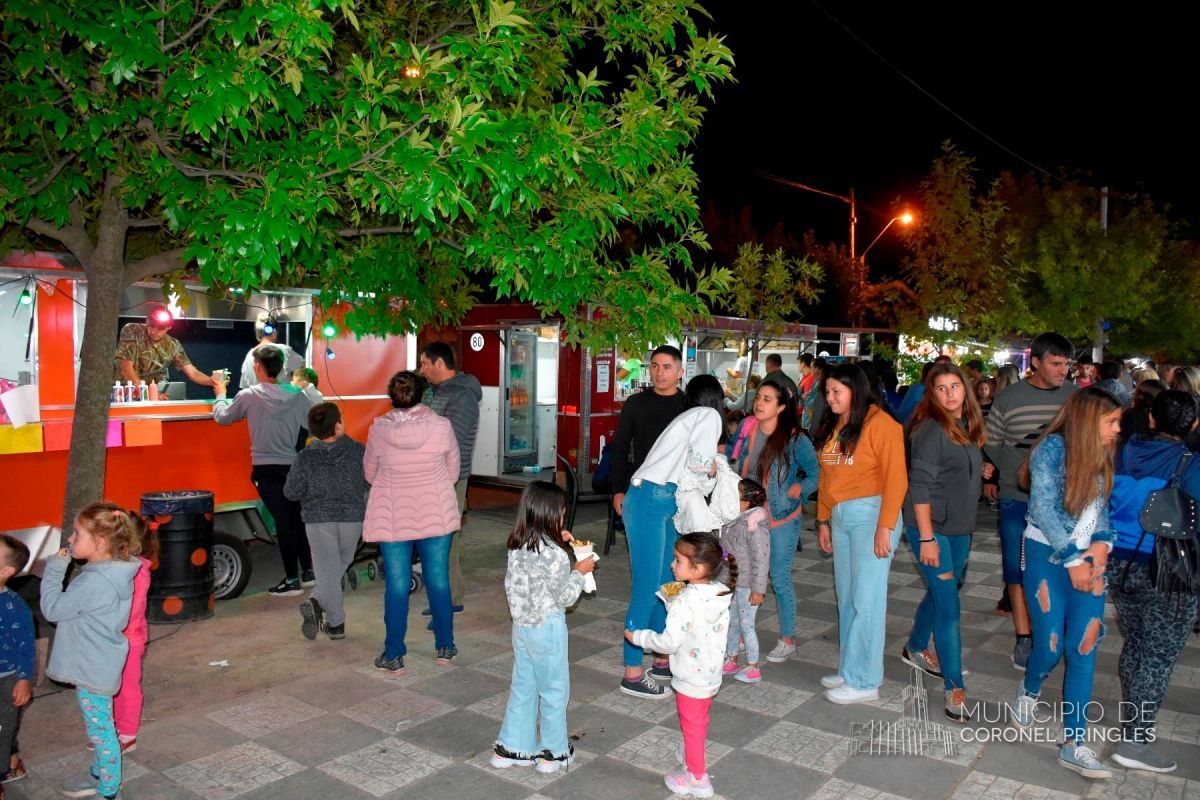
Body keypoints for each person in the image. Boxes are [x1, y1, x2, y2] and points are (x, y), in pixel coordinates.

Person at [1009, 387, 1121, 780]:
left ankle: (1074, 743)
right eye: (1111, 421)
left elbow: (1100, 511)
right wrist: (1073, 559)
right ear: (1090, 422)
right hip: (1046, 555)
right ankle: (1030, 686)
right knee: (1051, 645)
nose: (1117, 429)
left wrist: (1103, 543)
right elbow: (1042, 508)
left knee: (1084, 645)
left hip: (1087, 560)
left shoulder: (1102, 453)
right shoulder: (1052, 449)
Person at [1106, 390, 1200, 773]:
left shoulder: (1121, 452)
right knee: (1158, 656)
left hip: (1119, 562)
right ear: (1193, 424)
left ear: (1151, 419)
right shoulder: (1191, 463)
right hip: (1169, 571)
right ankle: (1135, 739)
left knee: (1138, 643)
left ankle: (1135, 721)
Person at [620, 374, 724, 700]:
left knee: (667, 582)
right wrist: (713, 467)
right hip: (651, 499)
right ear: (715, 398)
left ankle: (662, 658)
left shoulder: (688, 416)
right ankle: (632, 672)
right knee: (647, 586)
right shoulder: (708, 415)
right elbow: (700, 465)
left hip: (660, 500)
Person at [900, 363, 990, 722]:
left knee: (942, 593)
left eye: (955, 386)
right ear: (931, 394)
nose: (950, 394)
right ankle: (955, 687)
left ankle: (915, 646)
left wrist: (978, 469)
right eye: (942, 388)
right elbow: (919, 486)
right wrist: (926, 538)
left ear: (966, 389)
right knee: (950, 607)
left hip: (959, 528)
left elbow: (951, 470)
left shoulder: (965, 425)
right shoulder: (931, 429)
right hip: (931, 527)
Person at [814, 363, 908, 704]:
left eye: (836, 391)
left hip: (872, 514)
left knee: (867, 599)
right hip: (841, 516)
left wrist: (885, 527)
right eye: (827, 391)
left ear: (856, 390)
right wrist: (823, 520)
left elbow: (897, 478)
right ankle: (850, 668)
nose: (830, 397)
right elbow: (827, 476)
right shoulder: (837, 424)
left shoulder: (882, 424)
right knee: (848, 596)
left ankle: (865, 681)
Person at [984, 332, 1076, 670]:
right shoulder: (1008, 399)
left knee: (1058, 564)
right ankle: (1024, 637)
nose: (1063, 370)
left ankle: (1050, 629)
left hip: (1062, 502)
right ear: (1035, 362)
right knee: (1015, 567)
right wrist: (1012, 473)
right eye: (1056, 363)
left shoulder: (1074, 398)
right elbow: (991, 442)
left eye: (1066, 364)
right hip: (1016, 496)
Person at [490, 482, 595, 774]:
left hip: (522, 627)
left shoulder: (517, 545)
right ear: (551, 515)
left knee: (523, 686)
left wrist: (559, 541)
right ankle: (553, 753)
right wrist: (578, 572)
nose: (563, 517)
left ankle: (511, 748)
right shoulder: (555, 555)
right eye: (561, 513)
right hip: (547, 628)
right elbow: (565, 597)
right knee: (554, 690)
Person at [41, 503, 142, 800]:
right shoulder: (113, 572)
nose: (70, 539)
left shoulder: (95, 581)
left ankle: (109, 792)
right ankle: (98, 774)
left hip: (92, 667)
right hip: (99, 662)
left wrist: (54, 569)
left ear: (99, 542)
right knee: (101, 727)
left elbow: (52, 609)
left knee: (101, 733)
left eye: (77, 534)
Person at [364, 371, 461, 672]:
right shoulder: (442, 426)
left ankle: (393, 654)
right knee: (438, 579)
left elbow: (369, 473)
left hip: (393, 515)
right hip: (435, 512)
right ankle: (445, 647)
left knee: (396, 584)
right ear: (422, 394)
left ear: (392, 397)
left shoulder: (379, 429)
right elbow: (453, 472)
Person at [626, 532, 733, 799]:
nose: (672, 565)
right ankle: (689, 754)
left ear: (697, 569)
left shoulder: (686, 601)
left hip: (689, 677)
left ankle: (697, 778)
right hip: (710, 674)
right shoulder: (719, 592)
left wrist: (639, 637)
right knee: (698, 720)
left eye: (677, 560)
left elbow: (669, 642)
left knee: (693, 727)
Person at [726, 380, 819, 663]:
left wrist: (799, 489)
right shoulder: (748, 428)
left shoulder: (794, 439)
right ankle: (741, 634)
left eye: (767, 399)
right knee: (741, 575)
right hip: (745, 518)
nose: (759, 403)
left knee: (779, 577)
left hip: (780, 518)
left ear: (781, 407)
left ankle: (787, 639)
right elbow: (733, 459)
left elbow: (816, 473)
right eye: (758, 397)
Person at [213, 345, 318, 595]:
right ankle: (308, 572)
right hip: (292, 466)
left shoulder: (249, 395)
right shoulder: (297, 395)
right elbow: (312, 424)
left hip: (266, 469)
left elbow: (223, 417)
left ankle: (291, 580)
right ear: (281, 368)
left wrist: (220, 393)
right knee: (296, 518)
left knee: (284, 521)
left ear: (258, 367)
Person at [284, 402, 370, 640]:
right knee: (338, 566)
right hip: (352, 519)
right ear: (338, 425)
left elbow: (291, 492)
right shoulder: (358, 451)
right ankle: (330, 619)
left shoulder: (305, 457)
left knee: (327, 571)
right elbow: (369, 481)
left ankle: (331, 619)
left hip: (318, 521)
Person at [418, 342, 482, 617]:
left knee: (446, 538)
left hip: (450, 477)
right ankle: (441, 596)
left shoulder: (463, 396)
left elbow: (448, 438)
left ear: (439, 363)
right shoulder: (430, 392)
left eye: (424, 363)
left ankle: (450, 597)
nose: (421, 370)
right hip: (427, 474)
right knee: (432, 537)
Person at [612, 345, 687, 517]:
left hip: (681, 490)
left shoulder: (689, 405)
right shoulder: (635, 403)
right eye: (655, 366)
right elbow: (620, 447)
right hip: (642, 487)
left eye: (667, 367)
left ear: (680, 373)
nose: (659, 373)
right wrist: (618, 490)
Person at [108, 520, 155, 754]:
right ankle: (110, 729)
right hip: (114, 638)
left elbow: (131, 610)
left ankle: (127, 733)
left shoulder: (137, 572)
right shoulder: (118, 569)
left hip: (129, 639)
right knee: (111, 686)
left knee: (127, 686)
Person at [720, 479, 770, 683]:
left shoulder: (755, 526)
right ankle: (731, 658)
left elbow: (762, 560)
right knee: (731, 621)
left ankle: (753, 666)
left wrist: (758, 590)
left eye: (735, 495)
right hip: (732, 581)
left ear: (747, 501)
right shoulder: (733, 519)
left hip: (748, 585)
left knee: (747, 625)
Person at [0, 536, 33, 800]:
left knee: (3, 728)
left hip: (7, 678)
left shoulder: (14, 605)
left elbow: (25, 645)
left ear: (5, 571)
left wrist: (24, 679)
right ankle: (12, 763)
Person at [113, 306, 216, 391]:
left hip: (151, 394)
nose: (154, 331)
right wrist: (147, 393)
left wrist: (213, 381)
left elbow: (193, 373)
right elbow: (125, 368)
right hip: (122, 391)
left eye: (161, 328)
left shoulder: (173, 344)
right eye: (151, 326)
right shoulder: (133, 330)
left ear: (169, 327)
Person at [239, 312, 303, 389]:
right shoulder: (284, 350)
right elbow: (303, 369)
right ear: (274, 331)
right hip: (280, 396)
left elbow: (244, 386)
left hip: (255, 397)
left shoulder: (249, 355)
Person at [1117, 378, 1166, 454]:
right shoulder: (1165, 421)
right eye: (1137, 392)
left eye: (1147, 396)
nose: (1137, 396)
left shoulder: (1130, 415)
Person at [801, 357, 829, 435]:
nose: (811, 369)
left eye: (812, 367)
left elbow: (817, 403)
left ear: (818, 369)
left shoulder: (822, 384)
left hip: (812, 423)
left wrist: (806, 398)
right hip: (808, 421)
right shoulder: (815, 382)